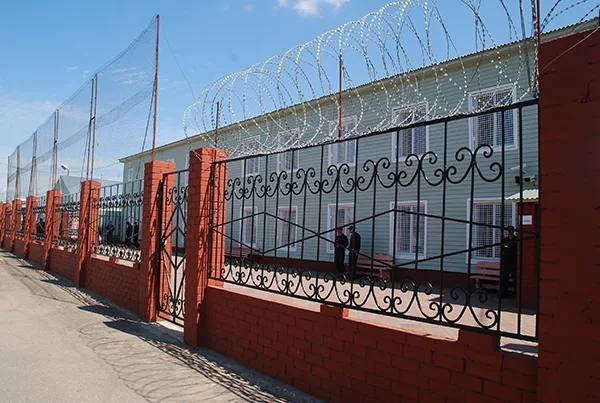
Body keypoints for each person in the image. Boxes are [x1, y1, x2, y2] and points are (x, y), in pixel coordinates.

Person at [500, 225, 518, 298]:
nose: (510, 232)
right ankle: (504, 293)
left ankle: (516, 293)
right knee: (504, 278)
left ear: (513, 231)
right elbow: (502, 250)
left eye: (511, 230)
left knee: (515, 278)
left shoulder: (516, 240)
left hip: (514, 261)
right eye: (509, 230)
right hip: (506, 262)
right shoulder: (505, 240)